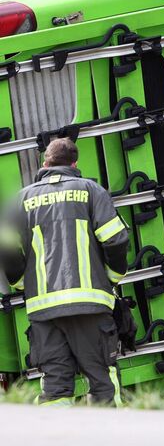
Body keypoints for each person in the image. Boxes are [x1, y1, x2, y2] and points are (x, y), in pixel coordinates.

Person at [0, 138, 129, 406]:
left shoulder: (20, 199)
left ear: (44, 163)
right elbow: (115, 240)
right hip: (90, 305)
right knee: (102, 380)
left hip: (44, 310)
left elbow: (6, 248)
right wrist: (112, 277)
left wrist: (22, 283)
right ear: (74, 164)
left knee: (55, 387)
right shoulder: (92, 191)